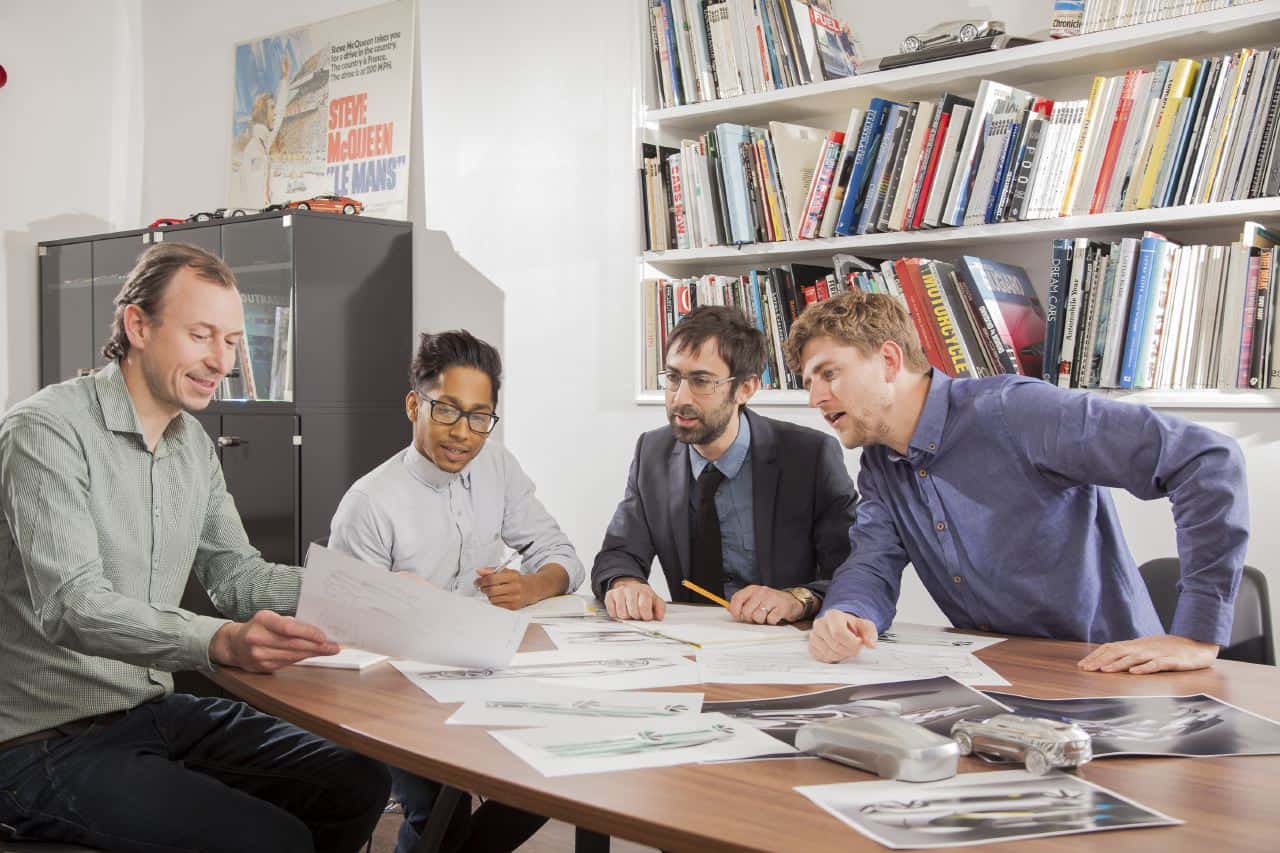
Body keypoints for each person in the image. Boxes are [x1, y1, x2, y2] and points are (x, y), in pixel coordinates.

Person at [0, 242, 390, 852]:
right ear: (137, 326)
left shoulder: (192, 446)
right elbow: (73, 606)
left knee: (356, 781)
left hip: (146, 710)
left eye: (231, 341)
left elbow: (237, 577)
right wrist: (218, 640)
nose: (221, 361)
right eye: (201, 335)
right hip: (40, 742)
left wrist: (368, 593)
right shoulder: (45, 430)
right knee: (271, 841)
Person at [784, 290, 1250, 675]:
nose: (816, 398)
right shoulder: (880, 463)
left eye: (829, 373)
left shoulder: (1016, 412)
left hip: (1115, 676)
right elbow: (872, 561)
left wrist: (1197, 635)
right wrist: (847, 612)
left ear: (888, 359)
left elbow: (1206, 458)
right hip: (1004, 675)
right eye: (808, 383)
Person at [329, 329, 581, 853]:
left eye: (479, 417)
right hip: (398, 689)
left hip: (485, 668)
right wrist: (410, 612)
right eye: (446, 410)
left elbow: (563, 556)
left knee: (554, 767)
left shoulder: (497, 466)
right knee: (438, 803)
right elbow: (348, 634)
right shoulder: (369, 503)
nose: (463, 433)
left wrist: (532, 585)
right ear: (413, 406)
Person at [592, 306, 858, 624]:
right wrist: (625, 583)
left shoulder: (809, 456)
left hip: (783, 638)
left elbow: (853, 572)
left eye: (701, 381)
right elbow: (619, 553)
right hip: (691, 640)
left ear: (745, 388)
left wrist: (796, 599)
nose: (680, 398)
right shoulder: (652, 452)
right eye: (673, 378)